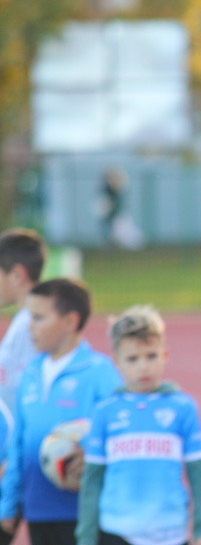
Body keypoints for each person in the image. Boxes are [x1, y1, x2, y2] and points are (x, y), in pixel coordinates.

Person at [76, 305, 201, 545]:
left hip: (170, 533)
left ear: (165, 355)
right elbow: (92, 481)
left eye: (151, 356)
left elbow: (198, 473)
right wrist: (86, 537)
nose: (143, 366)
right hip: (116, 532)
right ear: (117, 362)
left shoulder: (182, 407)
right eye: (132, 359)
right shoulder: (105, 411)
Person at [0, 279, 122, 545]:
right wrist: (9, 504)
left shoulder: (99, 372)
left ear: (70, 322)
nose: (30, 326)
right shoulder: (31, 373)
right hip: (39, 510)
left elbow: (119, 431)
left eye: (39, 318)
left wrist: (90, 448)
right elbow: (19, 445)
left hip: (85, 513)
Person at [0, 229, 47, 544]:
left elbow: (30, 400)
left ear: (17, 275)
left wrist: (10, 461)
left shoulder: (31, 327)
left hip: (14, 463)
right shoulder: (20, 324)